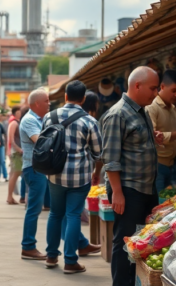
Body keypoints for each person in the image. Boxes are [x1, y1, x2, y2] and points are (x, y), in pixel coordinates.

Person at [101, 66, 165, 286]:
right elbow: (110, 159)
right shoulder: (117, 114)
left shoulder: (142, 111)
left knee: (143, 242)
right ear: (137, 86)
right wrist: (117, 192)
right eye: (153, 88)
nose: (156, 93)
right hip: (128, 190)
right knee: (125, 243)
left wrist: (151, 138)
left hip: (146, 188)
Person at [42, 81, 103, 274]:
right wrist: (96, 172)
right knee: (73, 215)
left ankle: (51, 256)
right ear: (83, 99)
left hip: (54, 175)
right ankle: (70, 261)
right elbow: (98, 153)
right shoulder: (89, 122)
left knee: (55, 214)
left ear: (66, 96)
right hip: (79, 177)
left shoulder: (49, 117)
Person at [20, 89, 51, 260]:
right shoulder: (30, 120)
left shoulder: (40, 119)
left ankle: (80, 243)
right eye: (46, 101)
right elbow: (40, 142)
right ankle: (28, 246)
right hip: (34, 169)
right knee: (34, 209)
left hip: (40, 169)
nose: (49, 104)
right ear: (37, 104)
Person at [7, 106, 23, 204]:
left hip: (17, 152)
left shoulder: (17, 122)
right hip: (16, 153)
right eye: (18, 112)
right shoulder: (13, 123)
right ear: (15, 113)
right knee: (15, 174)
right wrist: (18, 149)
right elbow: (11, 139)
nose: (20, 113)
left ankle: (10, 197)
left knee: (15, 174)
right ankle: (9, 197)